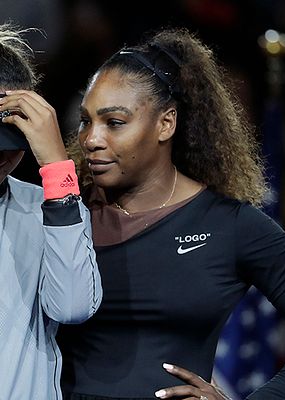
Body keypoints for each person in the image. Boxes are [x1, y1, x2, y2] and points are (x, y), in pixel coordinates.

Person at [57, 27, 285, 400]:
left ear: (166, 123)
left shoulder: (229, 225)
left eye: (114, 122)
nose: (91, 139)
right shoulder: (63, 214)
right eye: (86, 121)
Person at [0, 24, 102, 399]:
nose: (1, 155)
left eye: (12, 140)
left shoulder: (48, 207)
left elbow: (72, 306)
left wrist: (58, 166)